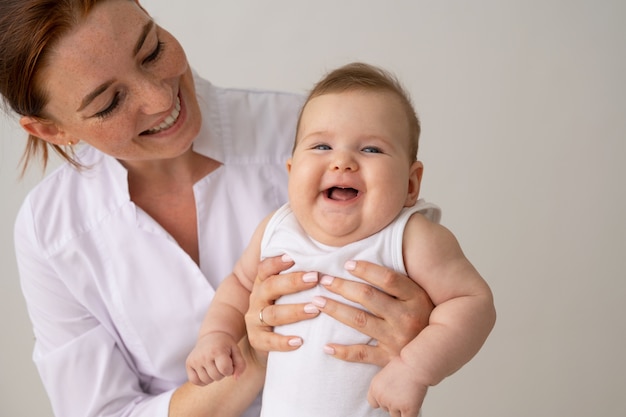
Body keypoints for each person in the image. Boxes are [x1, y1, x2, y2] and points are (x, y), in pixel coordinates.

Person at [0, 1, 437, 416]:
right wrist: (254, 354)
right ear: (51, 130)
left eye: (151, 51)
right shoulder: (52, 231)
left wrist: (420, 327)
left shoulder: (317, 136)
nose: (159, 99)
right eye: (109, 103)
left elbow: (424, 292)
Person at [186, 62, 496, 417]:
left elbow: (474, 302)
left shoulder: (409, 238)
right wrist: (216, 336)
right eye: (321, 146)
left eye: (371, 150)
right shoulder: (277, 229)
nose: (342, 162)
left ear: (411, 184)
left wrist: (414, 367)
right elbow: (239, 285)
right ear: (290, 172)